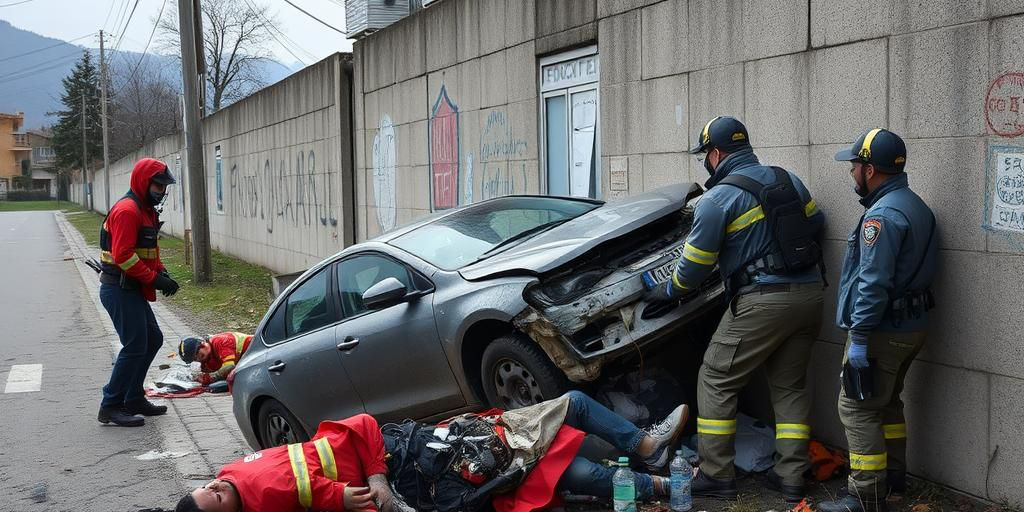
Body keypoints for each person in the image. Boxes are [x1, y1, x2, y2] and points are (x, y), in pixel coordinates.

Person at [645, 116, 825, 501]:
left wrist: (667, 290)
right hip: (811, 295)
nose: (705, 164)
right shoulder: (788, 179)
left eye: (704, 157)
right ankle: (791, 478)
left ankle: (715, 474)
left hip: (762, 302)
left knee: (714, 378)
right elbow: (816, 222)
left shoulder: (717, 200)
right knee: (789, 387)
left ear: (716, 153)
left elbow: (692, 270)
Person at [174, 391, 688, 512]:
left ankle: (649, 451)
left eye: (208, 486)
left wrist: (373, 473)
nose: (217, 487)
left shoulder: (237, 473)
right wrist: (375, 486)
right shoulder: (267, 493)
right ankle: (663, 480)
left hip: (413, 450)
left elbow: (360, 427)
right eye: (215, 499)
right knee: (561, 473)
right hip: (427, 472)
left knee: (567, 417)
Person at [817, 129, 937, 512]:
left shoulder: (881, 216)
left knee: (857, 407)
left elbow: (873, 282)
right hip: (911, 326)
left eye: (854, 165)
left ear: (869, 169)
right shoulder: (914, 204)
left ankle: (865, 495)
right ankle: (895, 484)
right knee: (887, 405)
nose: (851, 172)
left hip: (882, 330)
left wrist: (861, 337)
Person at [97, 157, 180, 427]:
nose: (162, 192)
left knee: (153, 338)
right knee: (134, 346)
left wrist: (162, 271)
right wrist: (155, 280)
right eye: (158, 187)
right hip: (118, 288)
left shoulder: (145, 210)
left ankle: (133, 397)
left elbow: (148, 252)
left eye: (165, 187)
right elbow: (123, 255)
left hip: (130, 288)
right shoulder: (128, 210)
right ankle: (110, 405)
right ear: (144, 183)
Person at [178, 332, 253, 385]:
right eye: (194, 359)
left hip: (256, 350)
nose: (198, 359)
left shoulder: (220, 342)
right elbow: (206, 372)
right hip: (246, 359)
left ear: (202, 345)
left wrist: (211, 377)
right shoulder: (207, 355)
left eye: (198, 355)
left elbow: (229, 367)